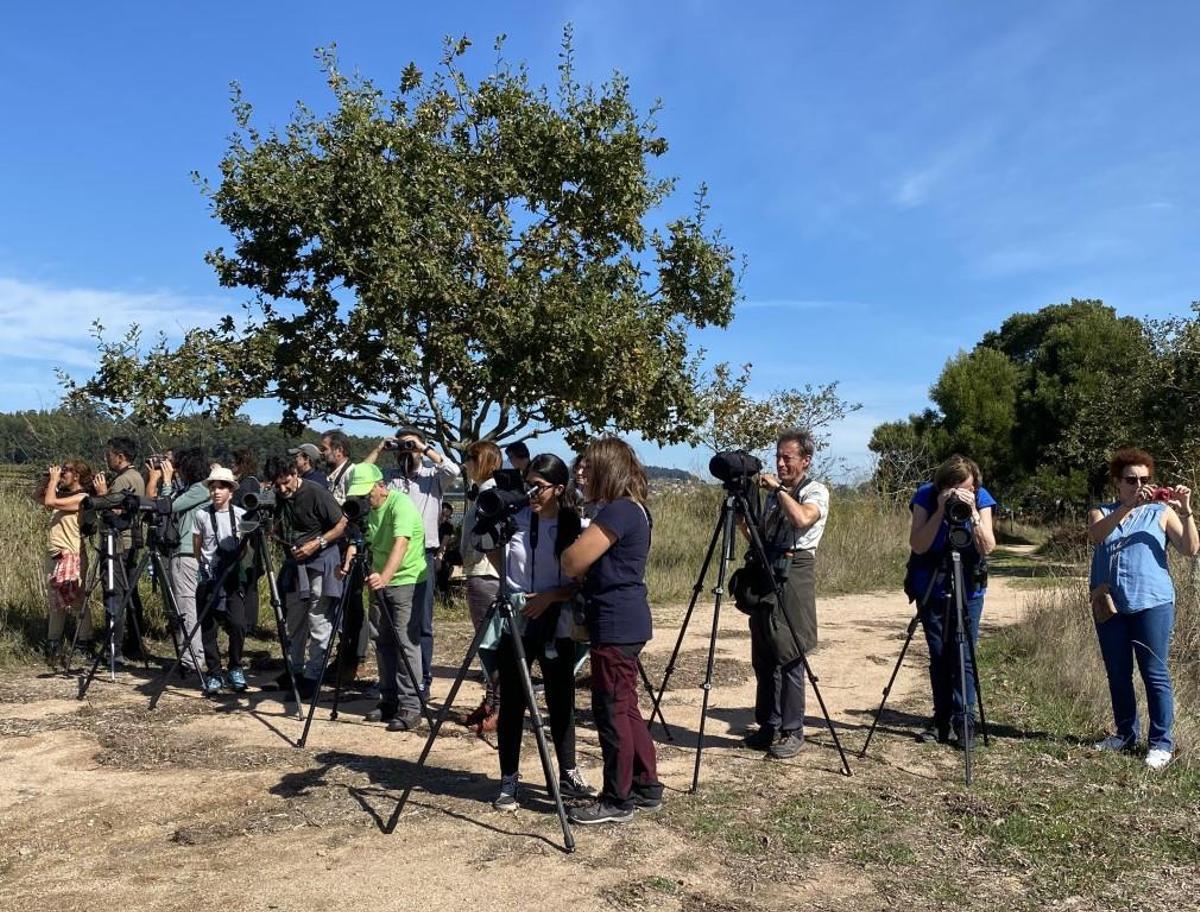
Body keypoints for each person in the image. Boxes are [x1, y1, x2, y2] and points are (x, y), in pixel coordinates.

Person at [562, 436, 663, 825]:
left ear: (609, 468)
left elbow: (573, 561)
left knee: (612, 710)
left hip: (616, 622)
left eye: (587, 465)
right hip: (625, 619)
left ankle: (617, 799)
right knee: (626, 707)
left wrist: (570, 539)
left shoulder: (619, 511)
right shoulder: (629, 508)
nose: (580, 472)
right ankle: (645, 785)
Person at [492, 454, 596, 811]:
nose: (532, 493)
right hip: (517, 618)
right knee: (513, 702)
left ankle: (568, 772)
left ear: (559, 489)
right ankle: (509, 780)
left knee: (561, 699)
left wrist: (551, 596)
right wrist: (515, 592)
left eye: (539, 486)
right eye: (528, 484)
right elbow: (489, 550)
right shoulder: (515, 517)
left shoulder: (573, 524)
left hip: (557, 619)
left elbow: (581, 579)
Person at [1087, 448, 1196, 771]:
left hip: (1153, 602)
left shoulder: (1162, 512)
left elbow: (1190, 549)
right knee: (1118, 672)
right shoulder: (1101, 511)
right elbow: (1097, 535)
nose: (1139, 485)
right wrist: (1127, 507)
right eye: (1131, 480)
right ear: (1117, 483)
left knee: (1155, 673)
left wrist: (1186, 511)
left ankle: (1161, 742)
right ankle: (1124, 734)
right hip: (1110, 605)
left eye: (1145, 480)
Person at [741, 429, 831, 760]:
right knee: (763, 649)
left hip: (796, 570)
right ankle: (768, 725)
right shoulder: (772, 496)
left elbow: (802, 518)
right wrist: (742, 515)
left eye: (786, 457)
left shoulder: (815, 491)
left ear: (805, 461)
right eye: (777, 457)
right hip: (768, 566)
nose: (779, 463)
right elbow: (759, 537)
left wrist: (779, 490)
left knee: (790, 650)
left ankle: (793, 729)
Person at [905, 454, 996, 746]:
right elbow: (918, 545)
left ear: (975, 486)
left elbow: (988, 547)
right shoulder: (926, 496)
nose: (960, 493)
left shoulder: (980, 498)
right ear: (941, 485)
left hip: (969, 587)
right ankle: (941, 718)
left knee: (964, 653)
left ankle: (965, 718)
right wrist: (941, 508)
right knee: (939, 652)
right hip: (932, 584)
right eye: (952, 487)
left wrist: (972, 513)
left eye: (966, 487)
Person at [365, 428, 461, 694]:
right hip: (388, 554)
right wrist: (380, 449)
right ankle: (393, 682)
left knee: (421, 622)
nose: (406, 451)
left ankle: (423, 678)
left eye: (409, 446)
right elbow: (360, 478)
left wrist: (423, 448)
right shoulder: (389, 479)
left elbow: (454, 471)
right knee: (387, 626)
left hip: (422, 554)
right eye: (402, 446)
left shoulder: (432, 477)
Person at [342, 463, 426, 732]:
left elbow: (402, 542)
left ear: (381, 485)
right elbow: (360, 538)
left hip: (406, 580)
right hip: (378, 580)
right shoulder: (367, 509)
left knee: (405, 642)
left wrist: (386, 576)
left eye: (368, 493)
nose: (366, 499)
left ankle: (411, 705)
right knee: (382, 640)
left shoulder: (400, 505)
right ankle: (388, 699)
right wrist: (347, 562)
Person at [265, 454, 347, 698]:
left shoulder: (315, 492)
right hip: (295, 564)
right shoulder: (278, 498)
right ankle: (295, 671)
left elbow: (341, 523)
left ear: (295, 474)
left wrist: (316, 543)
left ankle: (313, 676)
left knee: (318, 618)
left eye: (286, 482)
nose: (282, 488)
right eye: (277, 485)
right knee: (295, 621)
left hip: (320, 562)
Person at [148, 448, 212, 678]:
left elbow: (168, 506)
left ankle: (191, 660)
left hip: (186, 554)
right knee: (185, 606)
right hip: (184, 552)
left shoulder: (200, 489)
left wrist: (165, 481)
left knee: (186, 607)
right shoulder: (195, 489)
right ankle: (191, 656)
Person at [87, 436, 147, 663]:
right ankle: (133, 644)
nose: (106, 458)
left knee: (115, 595)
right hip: (131, 543)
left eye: (109, 454)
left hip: (117, 544)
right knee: (130, 594)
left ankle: (115, 650)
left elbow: (112, 513)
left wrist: (102, 494)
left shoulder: (123, 481)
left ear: (120, 456)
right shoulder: (137, 477)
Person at [193, 466, 252, 694]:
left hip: (232, 577)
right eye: (213, 487)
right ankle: (214, 672)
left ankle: (235, 667)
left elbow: (245, 547)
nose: (216, 492)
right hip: (209, 577)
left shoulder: (239, 515)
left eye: (221, 487)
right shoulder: (202, 514)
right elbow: (197, 545)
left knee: (237, 623)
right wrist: (203, 568)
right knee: (208, 627)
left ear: (231, 491)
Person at [459, 440, 503, 730]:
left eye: (469, 460)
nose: (466, 466)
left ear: (481, 461)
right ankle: (492, 701)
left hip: (485, 573)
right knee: (489, 642)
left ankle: (498, 705)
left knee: (490, 643)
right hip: (483, 571)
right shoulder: (488, 492)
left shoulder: (490, 495)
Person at [34, 460, 96, 660]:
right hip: (55, 555)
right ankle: (53, 642)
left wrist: (54, 480)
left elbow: (50, 502)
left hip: (72, 554)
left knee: (77, 600)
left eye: (66, 470)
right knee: (55, 602)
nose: (63, 473)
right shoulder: (62, 494)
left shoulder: (82, 498)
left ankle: (84, 641)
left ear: (77, 475)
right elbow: (38, 497)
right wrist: (47, 481)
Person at [321, 429, 366, 683]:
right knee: (343, 602)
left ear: (339, 450)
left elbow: (354, 513)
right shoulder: (333, 476)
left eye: (325, 449)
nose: (323, 453)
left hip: (350, 545)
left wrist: (353, 545)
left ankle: (354, 659)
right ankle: (345, 655)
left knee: (353, 602)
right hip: (338, 545)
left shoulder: (351, 474)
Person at [230, 447, 263, 632]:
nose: (231, 465)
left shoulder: (248, 484)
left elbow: (246, 514)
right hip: (249, 537)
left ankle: (249, 623)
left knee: (248, 581)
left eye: (234, 462)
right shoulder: (249, 482)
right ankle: (247, 621)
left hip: (248, 539)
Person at [434, 502, 460, 601]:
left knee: (444, 565)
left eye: (447, 516)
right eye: (443, 515)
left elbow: (443, 545)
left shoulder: (447, 526)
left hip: (439, 551)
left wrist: (439, 557)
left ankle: (443, 593)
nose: (444, 518)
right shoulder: (429, 523)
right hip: (427, 549)